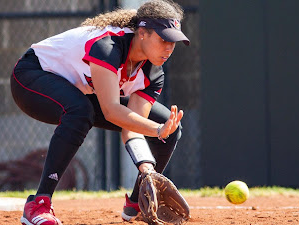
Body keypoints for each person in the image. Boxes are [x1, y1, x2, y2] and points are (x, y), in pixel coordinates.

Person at [10, 0, 189, 224]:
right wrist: (158, 130)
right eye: (164, 39)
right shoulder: (109, 46)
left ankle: (138, 203)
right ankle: (39, 203)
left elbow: (131, 128)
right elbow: (111, 110)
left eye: (174, 42)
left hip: (76, 91)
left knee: (171, 128)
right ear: (142, 33)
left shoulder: (153, 74)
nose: (169, 48)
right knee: (80, 111)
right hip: (30, 78)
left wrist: (146, 168)